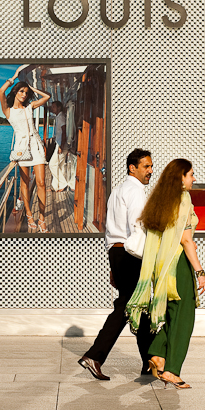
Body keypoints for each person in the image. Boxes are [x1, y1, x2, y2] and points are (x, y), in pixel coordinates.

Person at [126, 158, 205, 389]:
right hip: (178, 264)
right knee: (184, 316)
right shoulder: (184, 199)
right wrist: (200, 272)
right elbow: (186, 240)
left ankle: (156, 354)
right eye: (191, 174)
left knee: (173, 313)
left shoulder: (160, 199)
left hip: (160, 267)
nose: (194, 179)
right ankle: (172, 370)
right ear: (181, 178)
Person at [78, 149, 155, 380]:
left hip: (117, 253)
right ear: (132, 167)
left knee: (138, 307)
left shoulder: (117, 191)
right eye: (146, 167)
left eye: (151, 166)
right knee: (127, 306)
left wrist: (113, 265)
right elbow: (137, 229)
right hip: (131, 254)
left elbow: (110, 230)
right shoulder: (136, 192)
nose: (151, 171)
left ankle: (151, 361)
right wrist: (149, 259)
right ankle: (95, 355)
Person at [0, 70, 51, 233]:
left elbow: (47, 97)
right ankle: (29, 215)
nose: (24, 94)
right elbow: (1, 91)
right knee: (24, 182)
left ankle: (42, 219)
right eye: (21, 91)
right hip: (22, 149)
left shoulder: (30, 106)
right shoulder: (8, 110)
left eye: (26, 92)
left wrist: (31, 88)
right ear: (15, 92)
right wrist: (14, 78)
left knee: (41, 182)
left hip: (36, 146)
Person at [48, 101, 69, 192]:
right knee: (58, 166)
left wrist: (61, 145)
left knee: (52, 164)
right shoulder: (58, 117)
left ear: (59, 108)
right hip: (59, 143)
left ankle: (63, 184)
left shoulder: (61, 117)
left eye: (53, 107)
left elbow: (64, 131)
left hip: (61, 144)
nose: (52, 108)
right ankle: (55, 186)